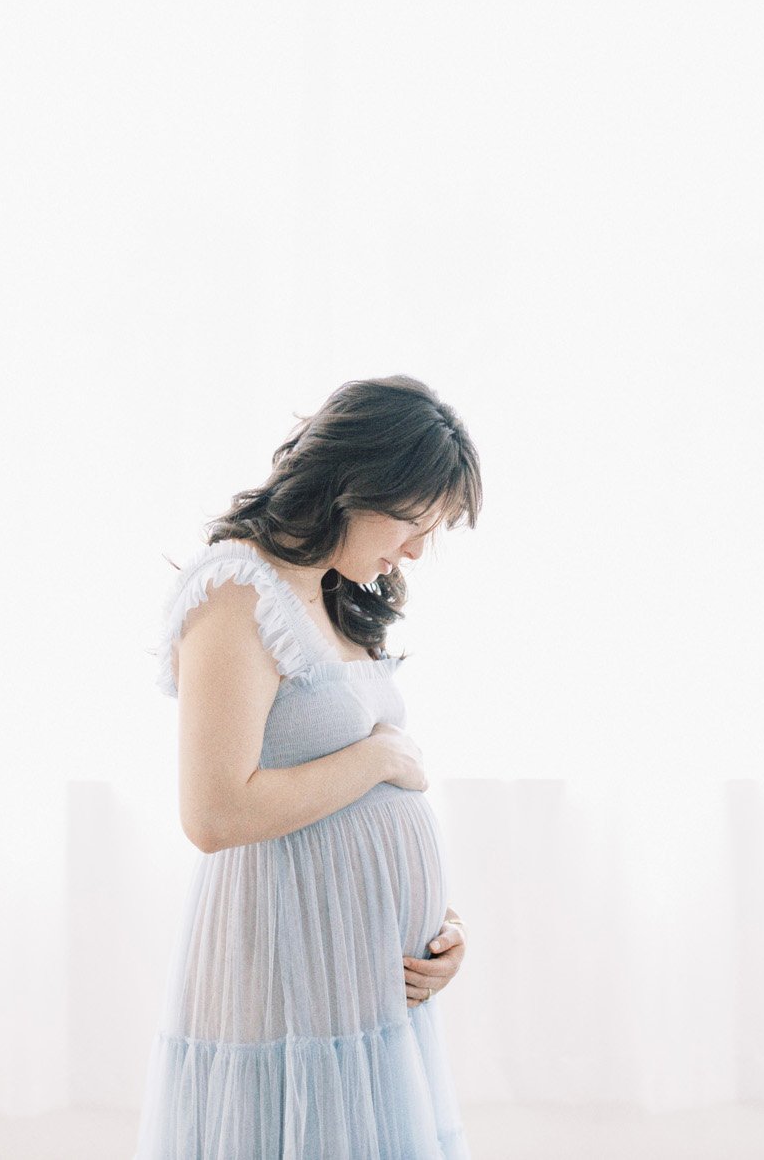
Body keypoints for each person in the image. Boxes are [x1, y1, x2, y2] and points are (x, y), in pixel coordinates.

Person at [133, 375, 483, 1159]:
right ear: (356, 484)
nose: (417, 550)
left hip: (363, 985)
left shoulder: (331, 594)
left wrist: (436, 924)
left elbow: (333, 799)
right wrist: (377, 758)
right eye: (411, 521)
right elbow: (215, 812)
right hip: (286, 970)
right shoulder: (236, 590)